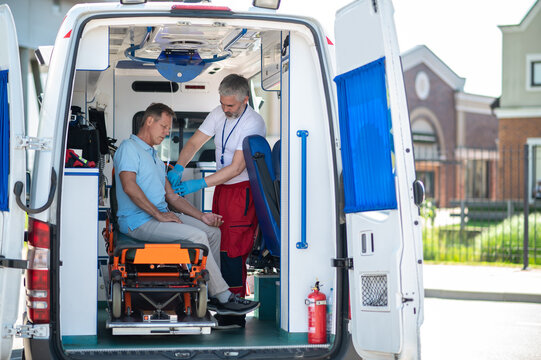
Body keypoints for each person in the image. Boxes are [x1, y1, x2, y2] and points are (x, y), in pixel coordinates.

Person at [114, 102, 259, 316]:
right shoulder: (129, 148)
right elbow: (129, 186)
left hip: (157, 218)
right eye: (163, 126)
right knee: (197, 236)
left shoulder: (154, 156)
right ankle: (224, 297)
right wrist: (158, 214)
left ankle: (212, 293)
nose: (166, 132)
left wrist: (203, 216)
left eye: (168, 128)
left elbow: (171, 196)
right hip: (138, 221)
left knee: (212, 232)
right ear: (149, 121)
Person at [167, 74, 266, 327]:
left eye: (230, 105)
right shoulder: (218, 113)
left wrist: (197, 183)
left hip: (241, 191)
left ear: (245, 100)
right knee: (217, 242)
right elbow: (194, 142)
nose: (225, 109)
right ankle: (221, 303)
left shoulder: (253, 123)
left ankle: (234, 313)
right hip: (222, 189)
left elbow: (236, 168)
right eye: (222, 103)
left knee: (234, 249)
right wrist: (179, 167)